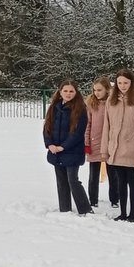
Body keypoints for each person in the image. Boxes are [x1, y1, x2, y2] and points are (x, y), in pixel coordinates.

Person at [100, 69, 134, 222]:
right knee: (120, 182)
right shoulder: (111, 100)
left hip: (132, 148)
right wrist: (105, 149)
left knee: (132, 181)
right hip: (115, 148)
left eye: (126, 83)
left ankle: (133, 214)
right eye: (120, 82)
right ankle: (123, 212)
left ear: (132, 83)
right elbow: (106, 126)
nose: (123, 86)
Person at [44, 81, 91, 214]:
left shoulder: (80, 109)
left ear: (76, 93)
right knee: (61, 181)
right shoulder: (54, 107)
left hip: (72, 152)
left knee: (72, 180)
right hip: (55, 151)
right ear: (60, 92)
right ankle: (65, 209)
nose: (68, 94)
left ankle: (85, 210)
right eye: (65, 91)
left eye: (71, 91)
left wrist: (63, 147)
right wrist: (50, 144)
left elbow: (77, 133)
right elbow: (47, 127)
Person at [84, 77, 111, 207]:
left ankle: (115, 199)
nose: (97, 92)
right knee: (93, 175)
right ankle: (93, 200)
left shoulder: (113, 103)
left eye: (99, 90)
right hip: (94, 142)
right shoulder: (91, 104)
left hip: (109, 143)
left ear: (107, 89)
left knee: (113, 174)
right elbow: (87, 124)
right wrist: (86, 142)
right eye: (94, 90)